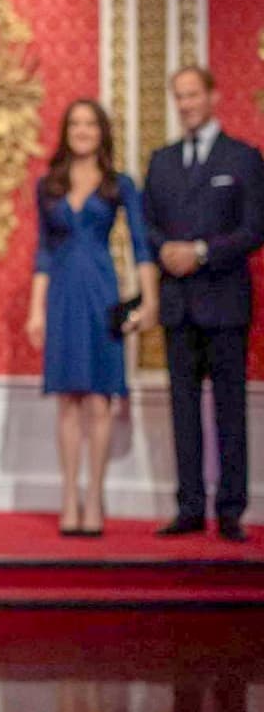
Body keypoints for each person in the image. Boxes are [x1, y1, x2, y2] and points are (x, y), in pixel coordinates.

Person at [25, 100, 158, 537]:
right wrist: (35, 309)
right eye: (75, 124)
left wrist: (149, 301)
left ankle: (95, 498)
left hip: (102, 292)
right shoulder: (48, 184)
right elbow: (43, 250)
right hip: (62, 293)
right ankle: (68, 498)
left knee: (99, 399)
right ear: (65, 132)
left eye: (90, 124)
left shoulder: (121, 184)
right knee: (68, 399)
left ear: (102, 132)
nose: (82, 131)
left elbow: (141, 245)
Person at [143, 66, 264, 542]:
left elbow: (255, 229)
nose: (186, 104)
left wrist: (200, 253)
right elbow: (147, 225)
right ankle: (189, 505)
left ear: (212, 96)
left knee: (230, 410)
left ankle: (231, 509)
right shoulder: (162, 161)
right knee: (182, 410)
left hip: (226, 303)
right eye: (180, 97)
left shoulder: (244, 158)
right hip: (178, 305)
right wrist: (166, 251)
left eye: (193, 95)